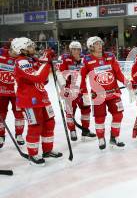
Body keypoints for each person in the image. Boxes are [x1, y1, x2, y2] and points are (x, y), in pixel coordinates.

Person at [12, 37, 62, 165]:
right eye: (29, 46)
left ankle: (47, 150)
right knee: (35, 126)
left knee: (49, 123)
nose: (33, 48)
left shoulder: (32, 59)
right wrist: (46, 60)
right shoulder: (21, 61)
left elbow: (44, 80)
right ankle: (33, 155)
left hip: (42, 97)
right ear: (21, 49)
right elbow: (37, 77)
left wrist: (46, 62)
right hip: (29, 100)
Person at [80, 36, 130, 150]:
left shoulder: (110, 56)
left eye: (100, 43)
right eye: (96, 44)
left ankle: (114, 138)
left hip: (113, 93)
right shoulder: (87, 59)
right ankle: (101, 138)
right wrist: (84, 93)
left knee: (118, 115)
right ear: (91, 47)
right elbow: (81, 78)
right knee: (99, 118)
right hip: (98, 96)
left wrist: (126, 82)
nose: (100, 45)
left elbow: (118, 73)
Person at [57, 41, 96, 141]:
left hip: (83, 90)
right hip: (69, 90)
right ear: (70, 50)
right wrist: (63, 88)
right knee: (70, 111)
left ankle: (85, 130)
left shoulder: (85, 59)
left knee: (86, 110)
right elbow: (59, 74)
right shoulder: (64, 58)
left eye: (78, 49)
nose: (75, 51)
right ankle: (72, 130)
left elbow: (92, 71)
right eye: (73, 49)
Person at [0, 43, 26, 149]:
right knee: (1, 114)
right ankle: (0, 135)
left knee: (19, 113)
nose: (19, 53)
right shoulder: (1, 53)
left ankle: (19, 134)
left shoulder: (22, 59)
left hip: (16, 92)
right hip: (1, 91)